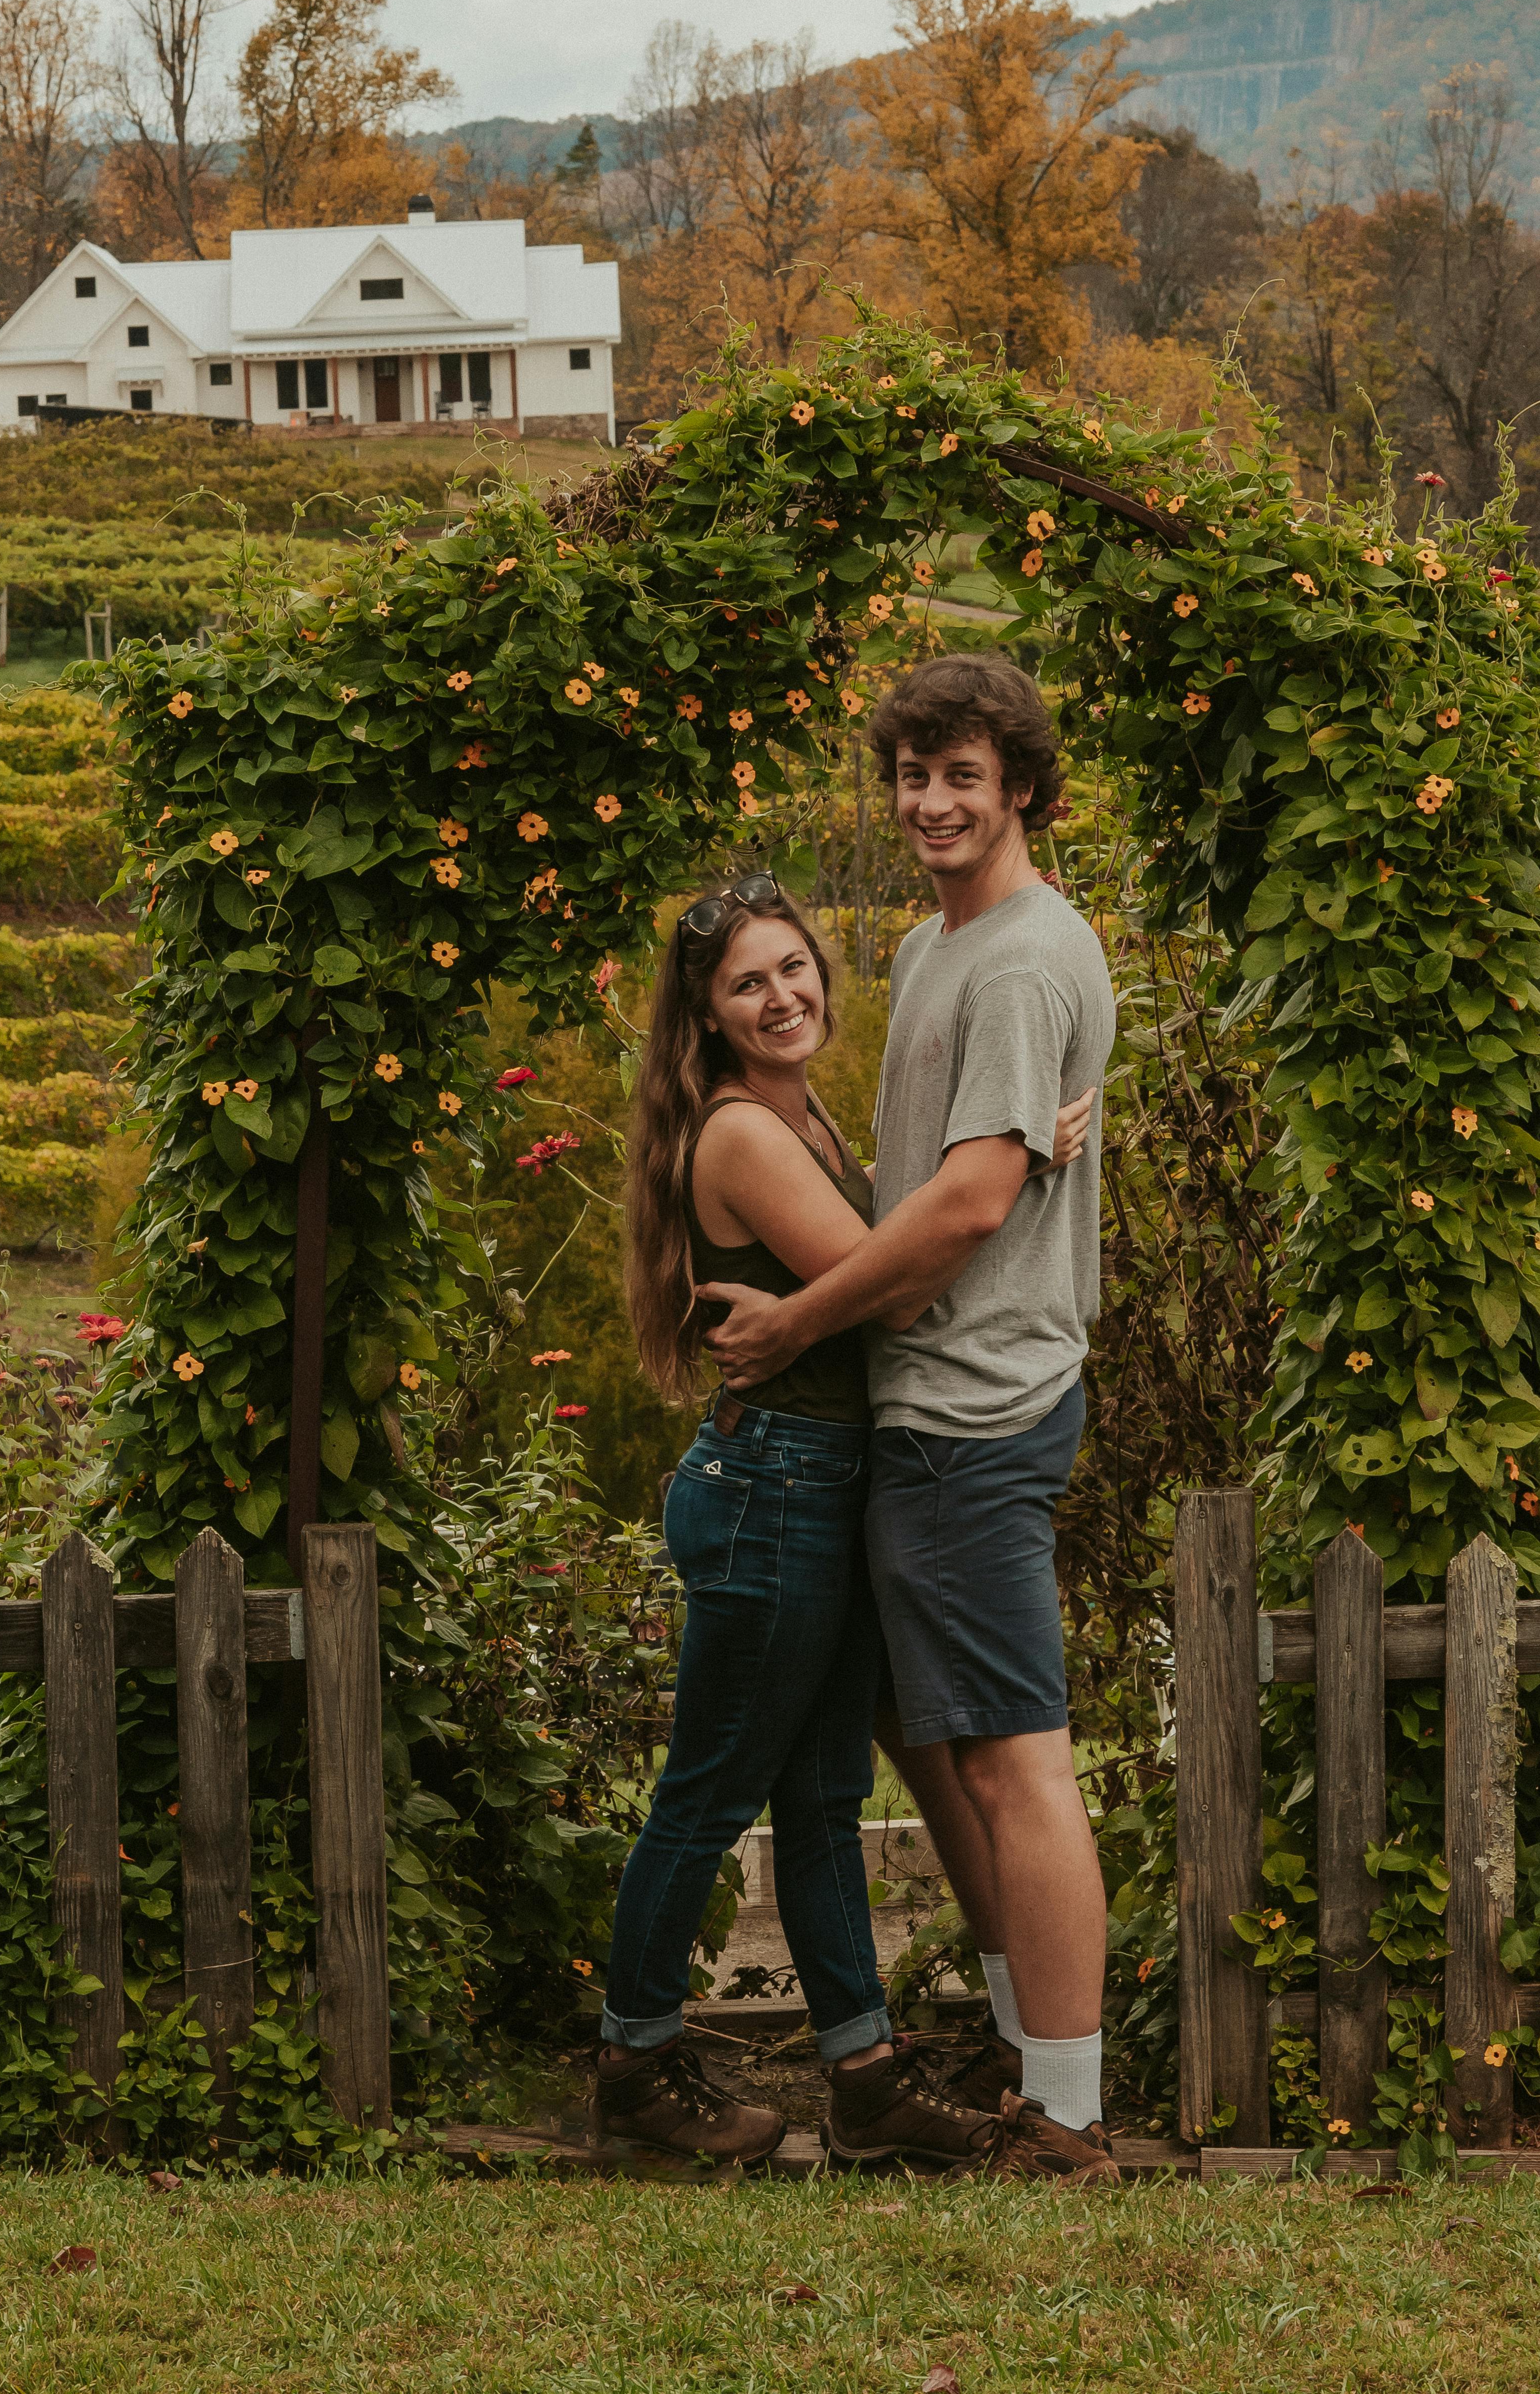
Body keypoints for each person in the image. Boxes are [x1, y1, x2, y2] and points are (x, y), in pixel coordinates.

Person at [591, 867, 1092, 2171]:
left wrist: (1015, 1150)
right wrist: (1015, 1160)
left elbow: (895, 1247)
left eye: (794, 968)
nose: (782, 996)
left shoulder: (802, 1116)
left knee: (820, 1797)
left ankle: (863, 2080)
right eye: (746, 983)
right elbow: (902, 1293)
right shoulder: (745, 1137)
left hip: (820, 1480)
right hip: (774, 1491)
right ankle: (636, 2063)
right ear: (705, 1013)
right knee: (707, 1796)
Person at [699, 654, 1121, 2186]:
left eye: (961, 775)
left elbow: (963, 1205)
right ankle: (1030, 2060)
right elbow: (974, 1163)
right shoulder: (941, 947)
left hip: (968, 1411)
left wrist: (798, 1320)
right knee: (937, 1752)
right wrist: (1047, 1127)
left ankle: (1064, 2119)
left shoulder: (1011, 960)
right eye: (910, 775)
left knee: (1014, 1764)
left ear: (1021, 787)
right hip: (943, 1404)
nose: (930, 802)